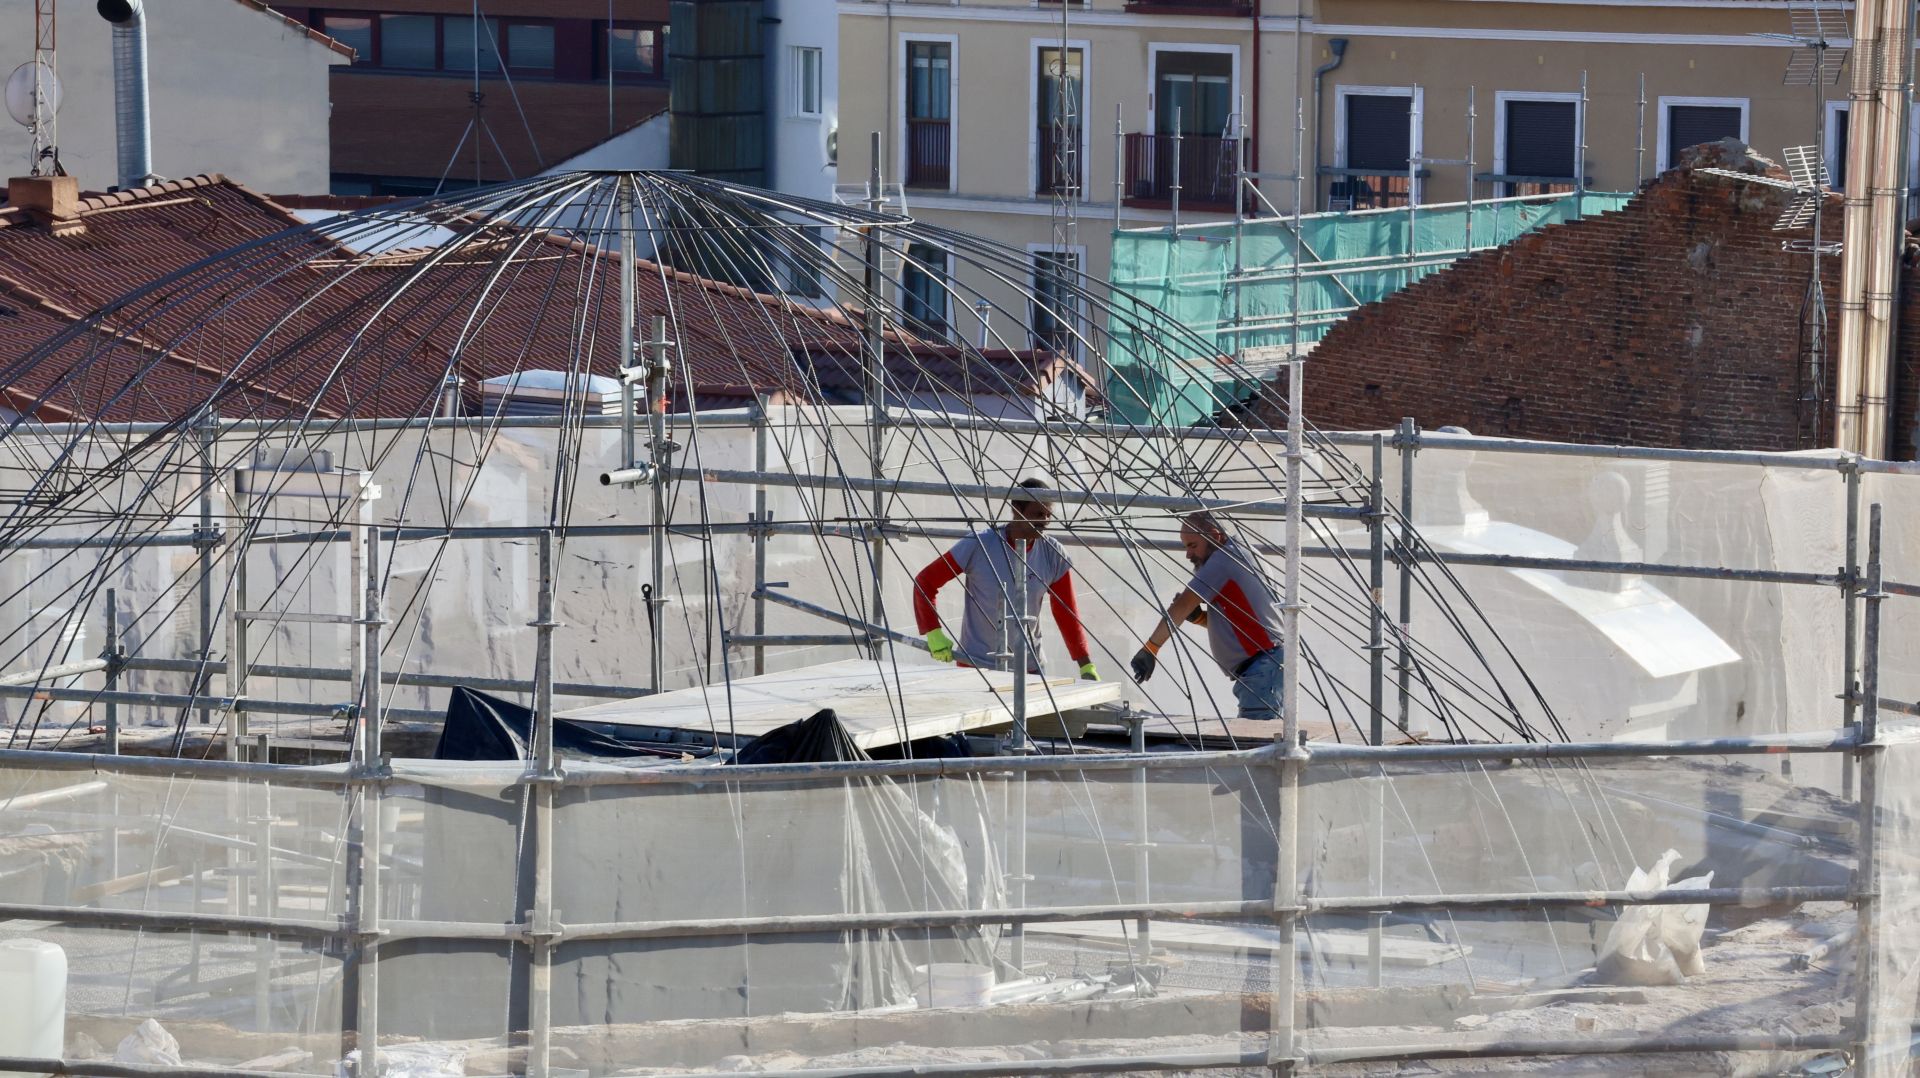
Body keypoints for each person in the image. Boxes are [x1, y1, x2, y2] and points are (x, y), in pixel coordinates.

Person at [913, 477, 1099, 679]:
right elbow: (926, 581)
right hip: (977, 666)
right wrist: (933, 632)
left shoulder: (1052, 553)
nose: (1044, 521)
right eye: (1037, 514)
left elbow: (1066, 611)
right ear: (1016, 509)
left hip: (1030, 667)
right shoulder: (979, 544)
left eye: (1048, 515)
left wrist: (1085, 664)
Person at [1129, 511, 1283, 719]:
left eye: (1193, 546)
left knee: (1257, 745)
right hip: (1264, 667)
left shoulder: (1224, 558)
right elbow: (1239, 625)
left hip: (1262, 668)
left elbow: (1182, 605)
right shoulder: (1238, 552)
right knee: (1261, 743)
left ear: (1214, 536)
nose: (1188, 555)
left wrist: (1151, 647)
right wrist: (1200, 618)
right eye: (1186, 547)